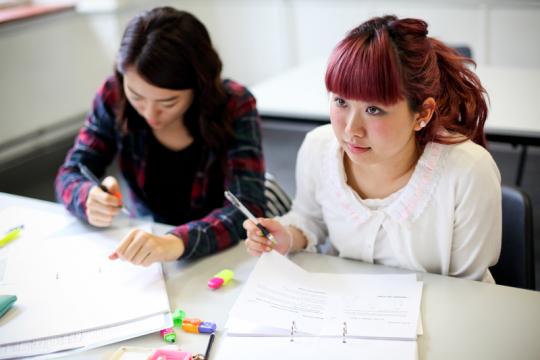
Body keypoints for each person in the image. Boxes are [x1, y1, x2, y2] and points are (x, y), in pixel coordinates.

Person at [244, 15, 502, 282]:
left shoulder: (469, 171)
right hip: (345, 313)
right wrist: (286, 235)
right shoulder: (318, 147)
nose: (351, 130)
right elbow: (311, 218)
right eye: (341, 102)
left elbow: (469, 289)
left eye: (373, 109)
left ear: (422, 114)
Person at [55, 7, 266, 266]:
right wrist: (86, 197)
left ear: (199, 86)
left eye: (168, 102)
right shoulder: (114, 94)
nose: (149, 113)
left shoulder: (234, 104)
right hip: (146, 241)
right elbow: (70, 172)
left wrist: (174, 242)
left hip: (220, 253)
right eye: (137, 96)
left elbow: (248, 207)